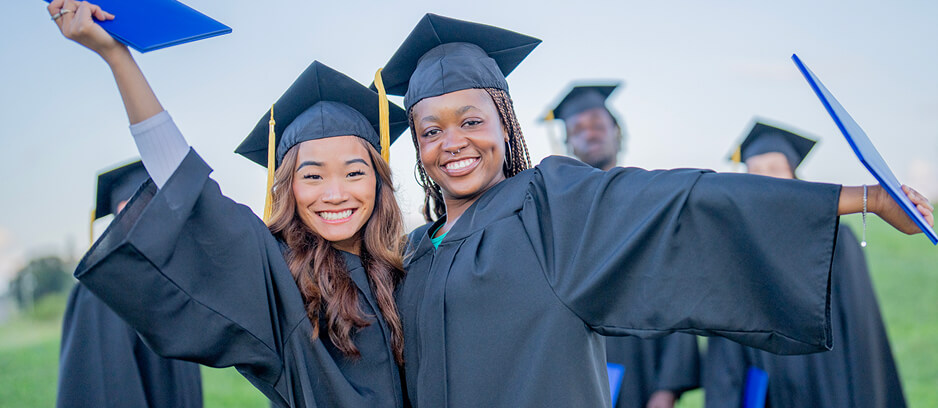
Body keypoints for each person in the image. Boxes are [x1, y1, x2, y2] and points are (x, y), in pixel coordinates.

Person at [371, 13, 934, 408]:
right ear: (416, 146)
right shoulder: (417, 250)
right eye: (430, 130)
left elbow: (683, 200)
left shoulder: (550, 207)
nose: (454, 142)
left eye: (472, 121)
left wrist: (864, 198)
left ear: (505, 125)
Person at [46, 1, 411, 407]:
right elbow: (189, 191)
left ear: (379, 180)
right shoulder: (281, 279)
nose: (335, 193)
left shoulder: (408, 270)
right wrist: (118, 57)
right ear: (287, 187)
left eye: (354, 172)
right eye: (312, 175)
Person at [702, 121, 908, 408]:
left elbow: (861, 333)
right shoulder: (736, 249)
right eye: (755, 172)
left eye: (775, 170)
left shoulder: (837, 240)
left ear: (795, 176)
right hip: (764, 391)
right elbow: (725, 348)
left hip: (829, 384)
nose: (765, 181)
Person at [546, 83, 700, 408]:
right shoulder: (558, 214)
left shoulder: (648, 200)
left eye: (598, 125)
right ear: (568, 143)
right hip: (576, 374)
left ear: (616, 131)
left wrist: (666, 390)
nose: (589, 134)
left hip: (645, 371)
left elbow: (677, 290)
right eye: (578, 129)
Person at [57, 160, 202, 408]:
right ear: (121, 211)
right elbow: (106, 392)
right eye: (141, 206)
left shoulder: (170, 284)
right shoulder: (100, 293)